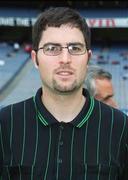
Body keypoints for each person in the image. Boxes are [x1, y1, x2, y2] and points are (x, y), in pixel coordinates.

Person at [0, 7, 128, 179]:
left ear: (88, 59)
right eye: (52, 48)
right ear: (35, 59)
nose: (65, 59)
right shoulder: (5, 124)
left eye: (75, 48)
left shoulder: (120, 127)